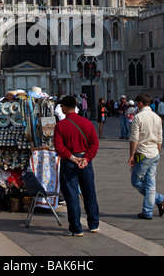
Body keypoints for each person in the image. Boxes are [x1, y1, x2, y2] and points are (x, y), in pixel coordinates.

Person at [53, 95, 99, 236]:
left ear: (66, 108)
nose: (60, 108)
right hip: (85, 162)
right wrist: (86, 158)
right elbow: (94, 144)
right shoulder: (87, 123)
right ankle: (93, 225)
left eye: (62, 106)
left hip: (69, 163)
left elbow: (59, 148)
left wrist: (73, 158)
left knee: (72, 196)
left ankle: (76, 228)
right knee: (89, 193)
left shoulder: (60, 125)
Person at [129, 93, 164, 220]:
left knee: (136, 181)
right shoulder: (157, 117)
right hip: (154, 153)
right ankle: (148, 210)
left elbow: (134, 139)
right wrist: (158, 154)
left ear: (140, 103)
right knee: (150, 182)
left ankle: (158, 199)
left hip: (141, 153)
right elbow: (159, 140)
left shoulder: (138, 117)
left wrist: (131, 155)